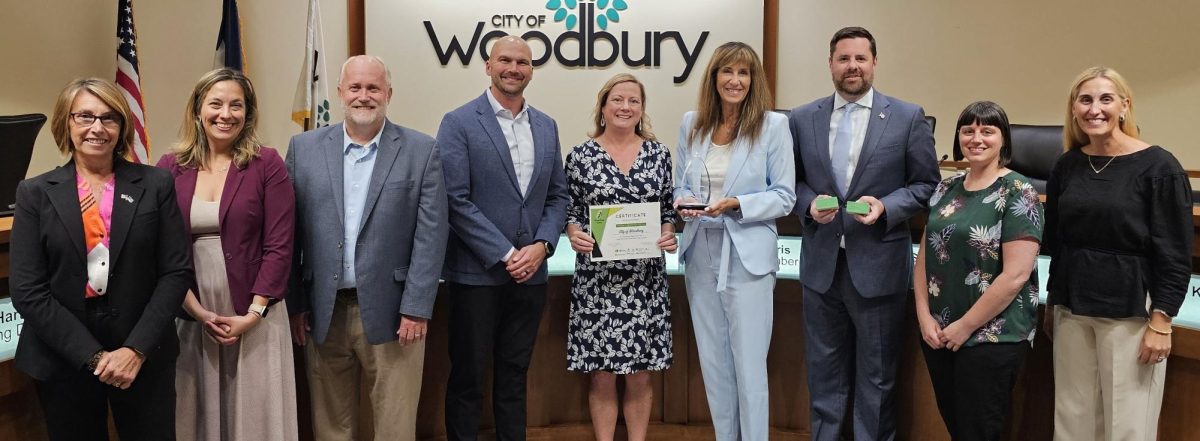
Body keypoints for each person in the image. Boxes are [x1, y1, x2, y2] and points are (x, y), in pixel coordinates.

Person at [9, 77, 192, 440]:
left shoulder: (155, 184)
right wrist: (94, 358)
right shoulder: (35, 194)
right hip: (64, 354)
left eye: (109, 118)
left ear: (122, 126)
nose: (98, 127)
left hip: (143, 349)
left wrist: (135, 350)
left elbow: (175, 271)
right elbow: (29, 290)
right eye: (85, 117)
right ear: (67, 123)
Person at [286, 55, 448, 440]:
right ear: (341, 92)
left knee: (395, 426)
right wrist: (295, 304)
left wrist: (416, 308)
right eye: (355, 88)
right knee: (330, 427)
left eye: (373, 88)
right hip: (323, 312)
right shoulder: (303, 149)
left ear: (388, 94)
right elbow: (289, 234)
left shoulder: (421, 151)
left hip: (396, 316)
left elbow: (431, 235)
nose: (364, 96)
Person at [789, 26, 940, 441]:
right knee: (824, 378)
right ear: (831, 64)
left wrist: (888, 207)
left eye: (860, 58)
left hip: (878, 267)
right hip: (820, 270)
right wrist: (806, 204)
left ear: (874, 62)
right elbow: (791, 183)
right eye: (844, 58)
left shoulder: (908, 117)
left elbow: (927, 186)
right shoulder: (802, 119)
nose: (852, 66)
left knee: (876, 381)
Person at [1045, 66, 1192, 441]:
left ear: (1125, 106)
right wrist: (1052, 304)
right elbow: (1058, 241)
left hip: (1130, 314)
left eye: (1106, 99)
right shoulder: (1068, 164)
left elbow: (1175, 252)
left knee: (1127, 426)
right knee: (1073, 421)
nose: (1095, 109)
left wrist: (1162, 321)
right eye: (1086, 99)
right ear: (1074, 109)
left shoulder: (1159, 166)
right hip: (1072, 310)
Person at [437, 36, 570, 441]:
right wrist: (506, 252)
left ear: (532, 69)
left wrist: (543, 245)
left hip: (531, 276)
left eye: (523, 62)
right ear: (488, 66)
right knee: (468, 377)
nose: (514, 68)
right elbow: (454, 199)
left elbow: (558, 195)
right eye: (505, 60)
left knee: (515, 376)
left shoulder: (546, 126)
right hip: (476, 275)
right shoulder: (458, 122)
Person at [157, 68, 297, 441]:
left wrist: (253, 314)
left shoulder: (267, 164)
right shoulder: (170, 169)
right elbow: (162, 250)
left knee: (255, 415)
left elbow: (279, 244)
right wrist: (198, 312)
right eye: (215, 104)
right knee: (195, 411)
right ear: (197, 110)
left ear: (248, 115)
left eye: (237, 106)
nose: (226, 114)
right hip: (191, 311)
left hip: (256, 310)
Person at [674, 41, 795, 441]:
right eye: (727, 71)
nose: (735, 80)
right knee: (714, 363)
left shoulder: (773, 125)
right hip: (700, 250)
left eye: (743, 73)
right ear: (714, 77)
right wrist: (684, 202)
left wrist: (737, 203)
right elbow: (680, 185)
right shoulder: (692, 123)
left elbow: (784, 195)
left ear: (753, 79)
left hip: (747, 254)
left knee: (748, 364)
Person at [913, 101, 1043, 441]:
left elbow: (1015, 276)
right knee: (957, 427)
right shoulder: (946, 188)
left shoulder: (1019, 191)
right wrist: (924, 316)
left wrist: (964, 327)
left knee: (981, 431)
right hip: (939, 332)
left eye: (987, 130)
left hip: (991, 336)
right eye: (968, 131)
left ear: (1004, 140)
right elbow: (924, 256)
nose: (976, 138)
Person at [564, 73, 678, 441]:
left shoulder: (659, 154)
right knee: (601, 373)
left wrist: (668, 231)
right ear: (603, 106)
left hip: (645, 282)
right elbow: (570, 211)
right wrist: (573, 232)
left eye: (633, 101)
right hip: (597, 283)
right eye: (617, 99)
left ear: (642, 109)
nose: (625, 107)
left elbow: (667, 210)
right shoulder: (580, 157)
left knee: (641, 372)